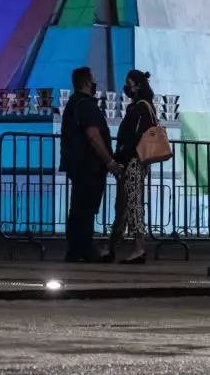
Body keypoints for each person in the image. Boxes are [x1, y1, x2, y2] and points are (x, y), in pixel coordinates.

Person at [60, 67, 120, 262]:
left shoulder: (73, 103)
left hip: (78, 165)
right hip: (89, 165)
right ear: (87, 82)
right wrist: (109, 161)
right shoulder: (86, 105)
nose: (96, 83)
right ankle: (85, 247)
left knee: (78, 206)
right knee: (86, 206)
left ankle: (75, 248)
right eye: (94, 80)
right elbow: (93, 136)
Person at [103, 70, 160, 263]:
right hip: (134, 161)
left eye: (129, 83)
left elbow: (133, 137)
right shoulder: (140, 107)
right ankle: (112, 246)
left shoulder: (140, 108)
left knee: (132, 202)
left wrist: (120, 158)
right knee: (124, 204)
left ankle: (138, 247)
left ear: (137, 84)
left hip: (134, 161)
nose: (126, 87)